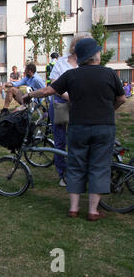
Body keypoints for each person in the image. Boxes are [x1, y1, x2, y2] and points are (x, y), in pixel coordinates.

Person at [22, 38, 126, 221]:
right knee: (99, 166)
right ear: (95, 55)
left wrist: (29, 95)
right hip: (104, 127)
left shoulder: (72, 75)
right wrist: (110, 110)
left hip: (78, 127)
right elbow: (121, 99)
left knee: (76, 165)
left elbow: (48, 91)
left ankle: (74, 208)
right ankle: (93, 211)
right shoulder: (109, 74)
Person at [49, 33, 92, 187]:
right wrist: (68, 96)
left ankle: (77, 171)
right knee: (60, 140)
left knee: (78, 139)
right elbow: (53, 84)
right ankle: (63, 174)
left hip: (80, 105)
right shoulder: (61, 63)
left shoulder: (87, 63)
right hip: (61, 104)